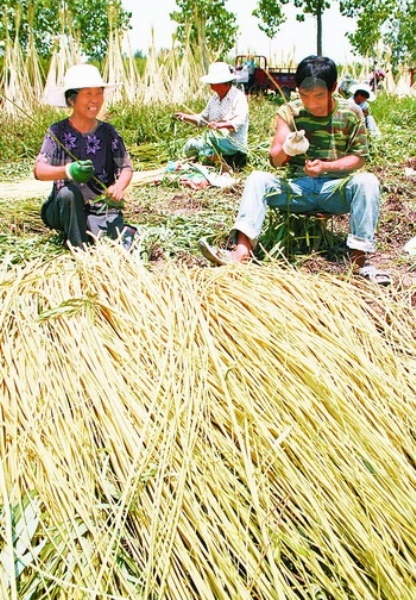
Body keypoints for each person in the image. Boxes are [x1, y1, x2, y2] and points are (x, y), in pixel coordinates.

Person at [199, 55, 391, 285]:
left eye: (318, 96)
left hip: (335, 190)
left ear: (333, 88)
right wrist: (288, 149)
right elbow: (275, 160)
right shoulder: (290, 111)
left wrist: (326, 167)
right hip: (297, 189)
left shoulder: (352, 112)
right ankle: (241, 253)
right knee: (257, 179)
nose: (311, 103)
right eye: (304, 95)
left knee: (368, 181)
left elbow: (359, 158)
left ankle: (359, 262)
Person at [35, 63, 135, 250]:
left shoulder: (109, 132)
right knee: (69, 193)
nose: (95, 100)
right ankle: (79, 248)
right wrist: (68, 171)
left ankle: (93, 232)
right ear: (72, 100)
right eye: (88, 94)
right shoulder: (57, 131)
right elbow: (39, 171)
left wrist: (118, 186)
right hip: (63, 208)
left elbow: (126, 167)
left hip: (99, 209)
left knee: (115, 237)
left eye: (98, 93)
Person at [174, 61, 249, 170]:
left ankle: (223, 166)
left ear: (224, 82)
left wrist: (219, 125)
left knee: (208, 139)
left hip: (233, 144)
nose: (211, 86)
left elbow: (240, 121)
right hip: (216, 142)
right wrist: (184, 116)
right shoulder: (214, 98)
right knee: (190, 145)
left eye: (213, 83)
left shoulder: (238, 97)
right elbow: (202, 119)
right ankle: (213, 160)